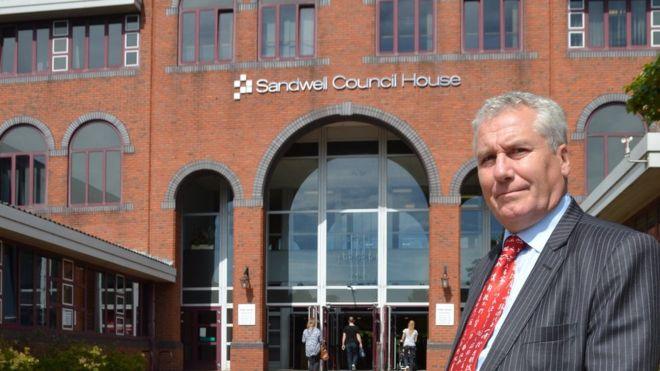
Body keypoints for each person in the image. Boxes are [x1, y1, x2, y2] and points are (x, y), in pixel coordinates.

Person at [447, 92, 660, 371]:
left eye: (518, 151)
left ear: (563, 159)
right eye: (487, 159)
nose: (501, 171)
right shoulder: (488, 267)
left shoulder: (619, 255)